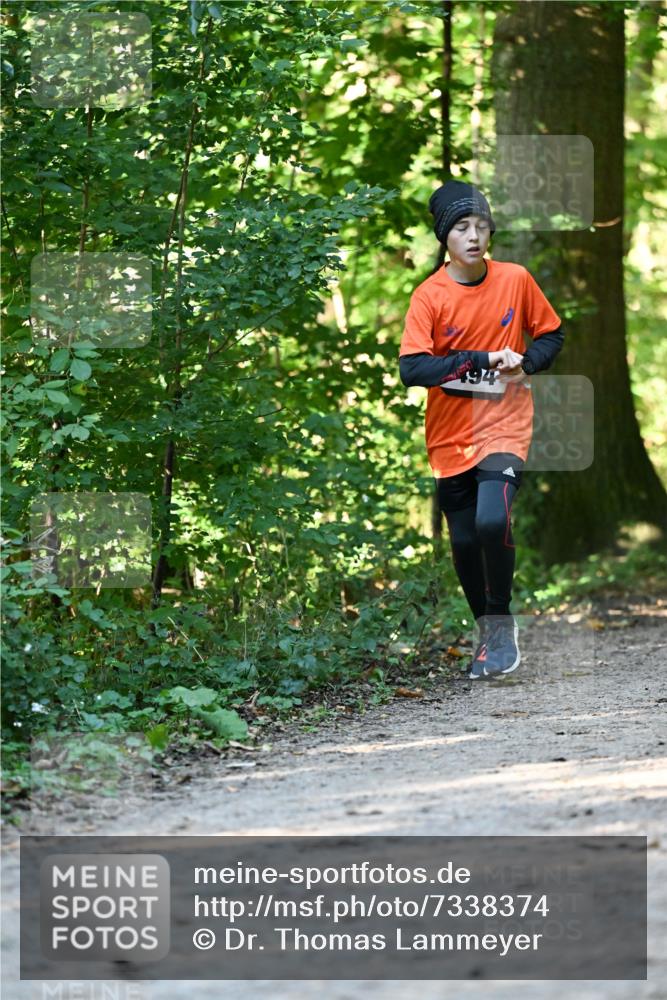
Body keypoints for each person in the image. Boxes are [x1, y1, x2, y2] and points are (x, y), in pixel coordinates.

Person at [398, 179, 564, 680]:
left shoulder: (515, 279)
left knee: (493, 521)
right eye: (463, 228)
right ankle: (490, 630)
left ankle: (499, 615)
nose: (474, 236)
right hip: (450, 434)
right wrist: (480, 359)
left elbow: (552, 333)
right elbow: (413, 369)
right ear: (444, 237)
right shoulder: (430, 296)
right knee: (466, 542)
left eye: (482, 227)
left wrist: (526, 363)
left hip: (504, 422)